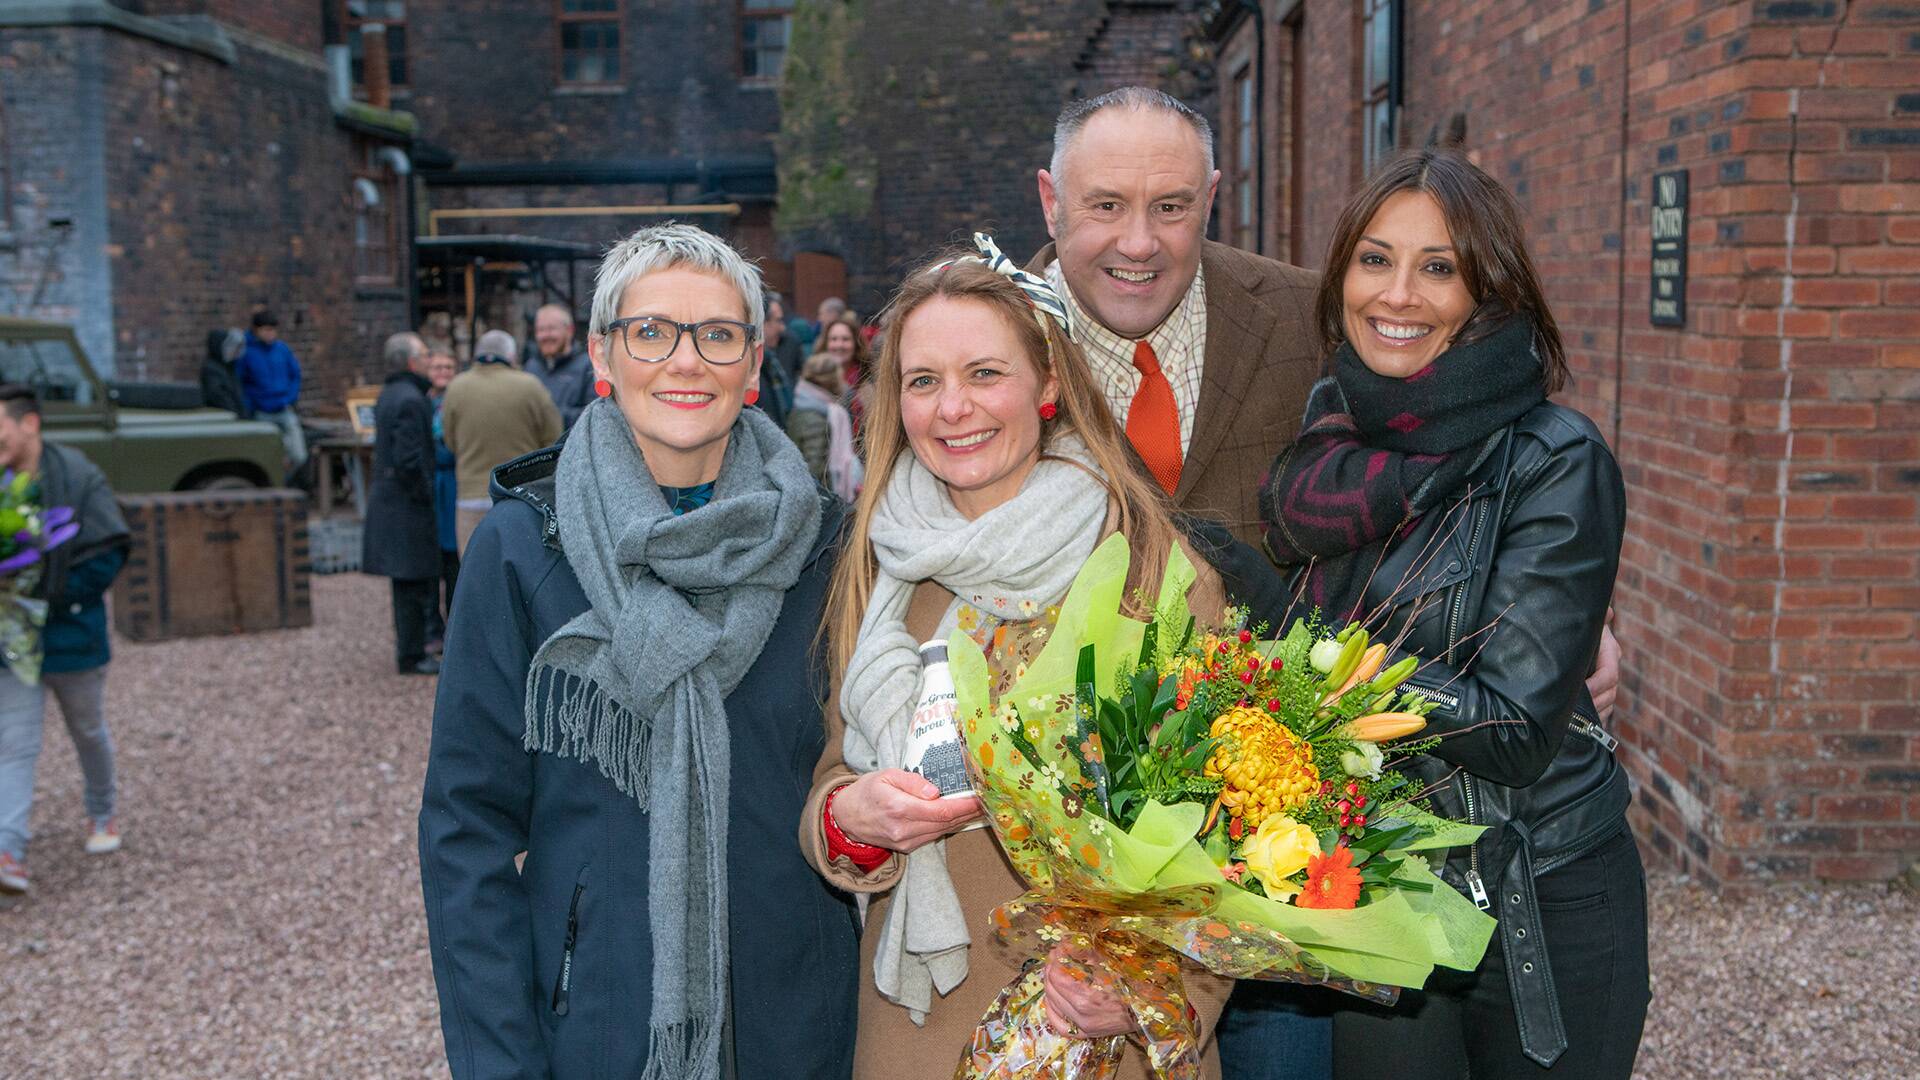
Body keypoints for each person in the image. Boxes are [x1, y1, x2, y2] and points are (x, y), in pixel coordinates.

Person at [1026, 89, 1625, 1079]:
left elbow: (1517, 536)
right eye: (1105, 204)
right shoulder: (973, 346)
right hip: (1106, 891)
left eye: (1171, 204)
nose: (1139, 239)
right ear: (1051, 199)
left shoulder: (1312, 327)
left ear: (1214, 198)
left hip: (1344, 892)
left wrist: (1584, 631)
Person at [419, 222, 857, 1079]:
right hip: (601, 1030)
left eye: (718, 335)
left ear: (755, 365)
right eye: (651, 331)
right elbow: (465, 829)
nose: (685, 361)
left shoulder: (830, 550)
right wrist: (502, 1061)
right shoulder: (522, 550)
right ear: (602, 356)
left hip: (799, 1031)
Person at [803, 247, 1238, 1078]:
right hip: (921, 1029)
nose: (953, 408)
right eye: (923, 381)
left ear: (1046, 385)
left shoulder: (1149, 566)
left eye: (984, 373)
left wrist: (1162, 988)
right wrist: (849, 822)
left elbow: (1236, 832)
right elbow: (831, 782)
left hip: (1107, 1034)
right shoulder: (881, 564)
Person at [1261, 148, 1647, 1080]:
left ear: (1488, 288)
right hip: (1376, 884)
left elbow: (1514, 729)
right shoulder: (1325, 440)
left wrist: (1310, 649)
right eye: (1374, 258)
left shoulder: (1553, 457)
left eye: (1439, 267)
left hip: (1538, 895)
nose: (1398, 294)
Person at [0, 384, 132, 894]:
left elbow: (109, 550)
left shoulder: (77, 475)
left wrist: (46, 590)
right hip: (12, 641)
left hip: (70, 635)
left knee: (87, 730)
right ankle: (9, 850)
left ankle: (103, 811)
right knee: (14, 742)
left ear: (28, 423)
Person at [361, 332, 442, 677]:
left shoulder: (391, 394)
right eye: (424, 355)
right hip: (406, 506)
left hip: (393, 502)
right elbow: (409, 458)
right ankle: (411, 654)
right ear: (411, 362)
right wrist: (426, 492)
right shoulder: (411, 399)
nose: (428, 360)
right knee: (411, 583)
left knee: (406, 583)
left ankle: (410, 650)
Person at [440, 329, 563, 555]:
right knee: (521, 566)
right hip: (522, 495)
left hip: (471, 495)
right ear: (511, 355)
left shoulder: (456, 387)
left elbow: (450, 442)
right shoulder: (530, 386)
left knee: (473, 568)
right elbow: (554, 440)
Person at [785, 350, 861, 500]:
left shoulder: (805, 406)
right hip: (823, 500)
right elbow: (815, 467)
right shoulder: (817, 417)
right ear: (831, 380)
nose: (844, 382)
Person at [424, 350, 460, 654]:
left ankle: (451, 626)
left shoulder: (460, 399)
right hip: (431, 483)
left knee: (453, 561)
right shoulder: (422, 400)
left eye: (448, 366)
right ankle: (431, 626)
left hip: (453, 483)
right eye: (437, 366)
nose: (443, 371)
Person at [237, 310, 306, 470]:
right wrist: (250, 404)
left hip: (284, 407)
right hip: (261, 412)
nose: (270, 334)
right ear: (256, 330)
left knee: (299, 454)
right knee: (270, 455)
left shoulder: (282, 349)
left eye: (273, 330)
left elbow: (295, 374)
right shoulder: (247, 352)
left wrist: (290, 397)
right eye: (266, 330)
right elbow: (240, 382)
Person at [526, 303, 596, 428]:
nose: (545, 336)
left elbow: (595, 414)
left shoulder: (588, 367)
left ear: (569, 331)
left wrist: (547, 416)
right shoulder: (531, 367)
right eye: (540, 330)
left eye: (551, 329)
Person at [199, 328, 249, 417]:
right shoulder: (211, 369)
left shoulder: (228, 366)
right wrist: (237, 412)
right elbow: (217, 395)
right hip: (224, 415)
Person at [765, 292, 806, 385]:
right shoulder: (745, 350)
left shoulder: (791, 342)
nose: (782, 327)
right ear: (763, 323)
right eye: (778, 320)